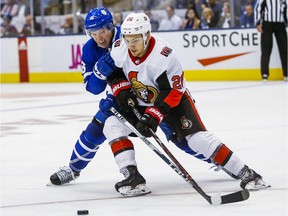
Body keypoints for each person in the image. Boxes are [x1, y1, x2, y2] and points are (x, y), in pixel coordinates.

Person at [101, 12, 270, 191]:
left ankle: (246, 173)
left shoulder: (164, 56)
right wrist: (121, 90)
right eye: (127, 39)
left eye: (135, 40)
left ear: (147, 35)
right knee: (111, 125)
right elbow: (114, 73)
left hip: (174, 101)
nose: (130, 45)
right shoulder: (120, 48)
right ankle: (132, 177)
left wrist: (154, 116)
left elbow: (173, 91)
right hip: (141, 101)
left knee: (196, 140)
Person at [49, 7, 150, 197]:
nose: (99, 38)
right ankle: (73, 168)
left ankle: (217, 160)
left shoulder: (128, 35)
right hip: (120, 99)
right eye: (93, 33)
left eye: (103, 31)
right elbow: (92, 88)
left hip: (148, 96)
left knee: (181, 135)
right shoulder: (89, 49)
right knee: (94, 130)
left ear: (112, 26)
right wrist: (100, 71)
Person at [255, 0, 287, 81]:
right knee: (266, 49)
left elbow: (286, 8)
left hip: (280, 23)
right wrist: (258, 23)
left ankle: (286, 73)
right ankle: (264, 73)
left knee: (284, 49)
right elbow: (258, 8)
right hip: (267, 23)